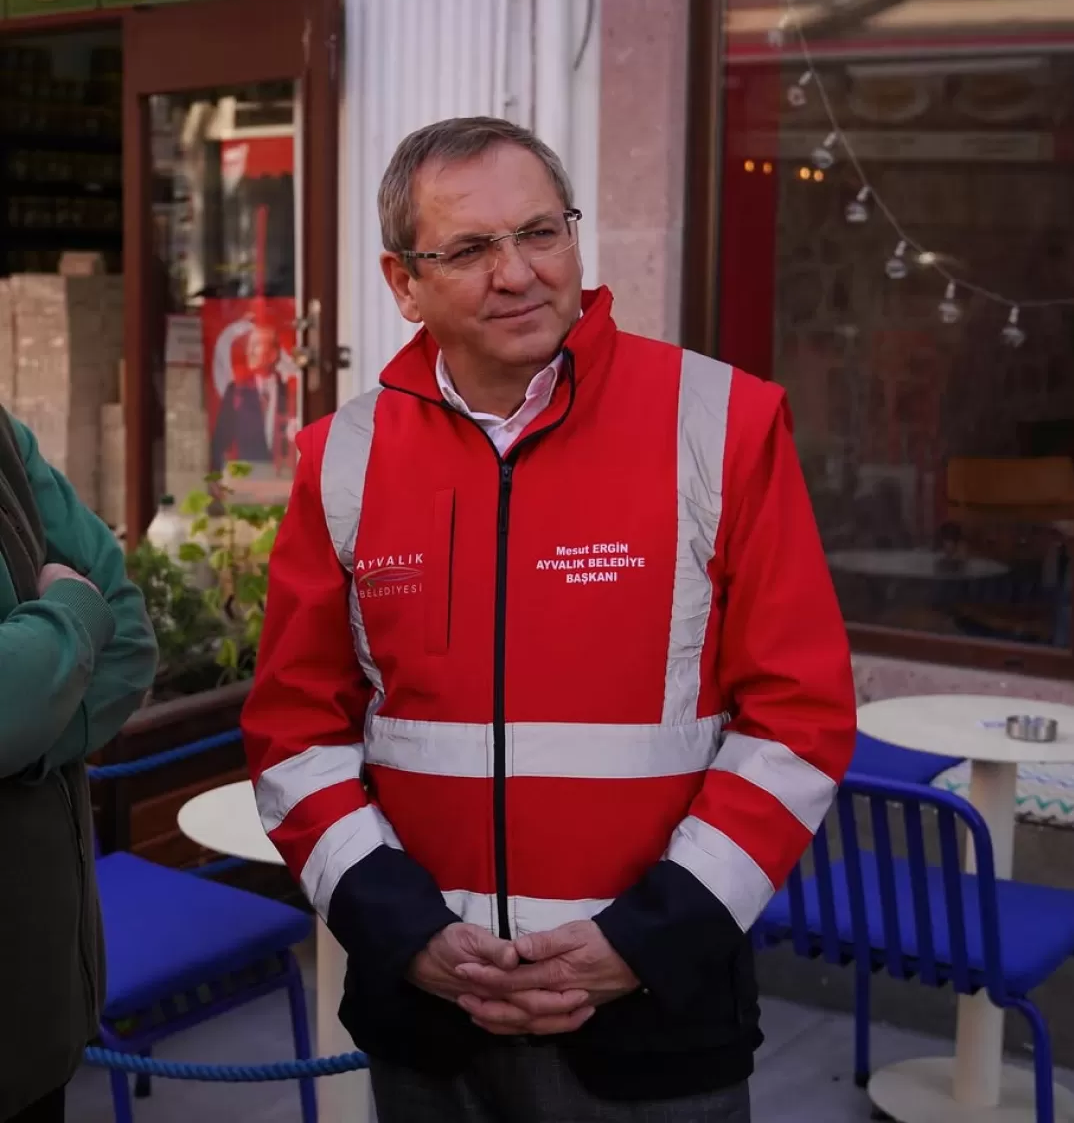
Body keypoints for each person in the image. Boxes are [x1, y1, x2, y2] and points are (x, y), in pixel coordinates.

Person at [241, 117, 857, 1122]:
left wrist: (645, 938)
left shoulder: (721, 420)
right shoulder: (338, 456)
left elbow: (799, 714)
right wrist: (403, 930)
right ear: (403, 282)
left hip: (655, 1013)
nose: (518, 272)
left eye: (541, 232)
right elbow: (292, 728)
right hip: (426, 1015)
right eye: (471, 248)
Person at [0, 408, 158, 1123]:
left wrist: (31, 736)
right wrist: (68, 609)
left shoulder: (2, 435)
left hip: (39, 1013)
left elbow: (127, 629)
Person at [210, 320, 293, 472]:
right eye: (248, 346)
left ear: (273, 354)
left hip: (285, 482)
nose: (249, 351)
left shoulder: (289, 392)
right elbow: (220, 442)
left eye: (255, 345)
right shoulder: (236, 392)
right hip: (249, 481)